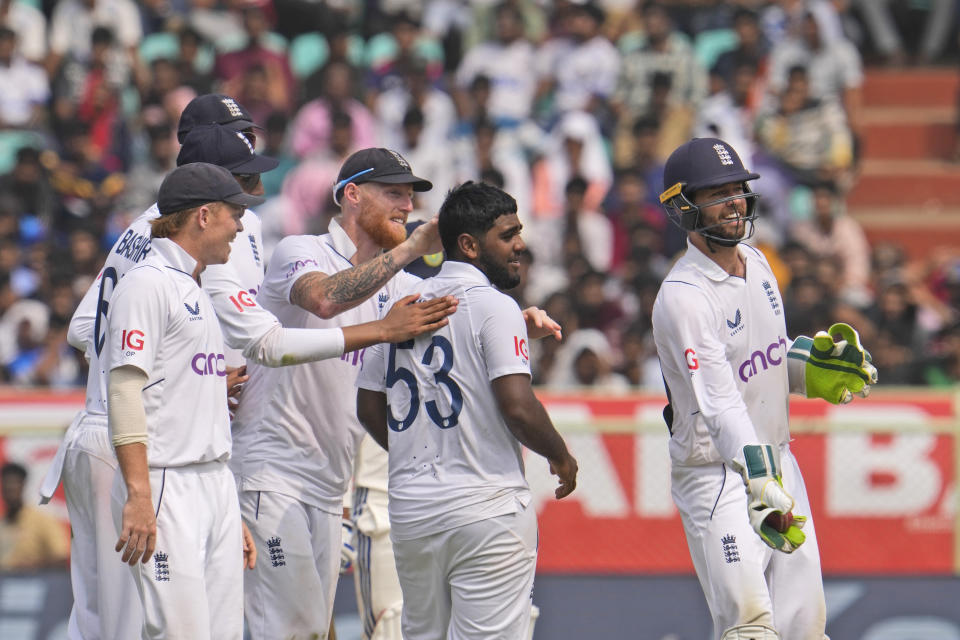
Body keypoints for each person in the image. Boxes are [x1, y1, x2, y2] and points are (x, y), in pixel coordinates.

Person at [42, 96, 455, 640]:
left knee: (105, 621)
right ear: (210, 193)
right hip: (145, 442)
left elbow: (82, 328)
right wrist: (190, 372)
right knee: (139, 626)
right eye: (241, 178)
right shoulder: (204, 244)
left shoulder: (142, 230)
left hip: (115, 435)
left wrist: (191, 367)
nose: (248, 203)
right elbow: (267, 341)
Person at [231, 148, 555, 639]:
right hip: (272, 472)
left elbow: (460, 311)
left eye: (410, 195)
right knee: (290, 630)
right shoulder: (300, 250)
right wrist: (407, 250)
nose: (406, 206)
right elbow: (325, 298)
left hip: (326, 482)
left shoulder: (397, 284)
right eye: (394, 193)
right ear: (352, 196)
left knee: (311, 630)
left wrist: (514, 320)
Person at [652, 137, 878, 640]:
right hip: (719, 474)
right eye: (717, 193)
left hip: (777, 459)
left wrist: (809, 367)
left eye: (738, 189)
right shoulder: (683, 297)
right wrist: (757, 475)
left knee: (805, 629)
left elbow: (764, 359)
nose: (734, 202)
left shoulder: (758, 263)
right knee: (749, 627)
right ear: (683, 206)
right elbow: (718, 399)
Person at [356, 180, 579, 640]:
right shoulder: (496, 306)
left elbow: (367, 404)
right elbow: (518, 407)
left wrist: (411, 447)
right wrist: (560, 455)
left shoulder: (403, 307)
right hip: (486, 509)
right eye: (507, 234)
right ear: (469, 245)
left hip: (413, 511)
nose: (520, 244)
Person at [105, 162, 264, 639]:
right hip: (166, 485)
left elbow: (198, 406)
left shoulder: (191, 285)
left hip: (211, 482)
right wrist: (138, 493)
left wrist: (225, 505)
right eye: (234, 214)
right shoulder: (148, 283)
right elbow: (123, 388)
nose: (240, 226)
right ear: (203, 215)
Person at [0, 461, 68, 570]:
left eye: (14, 485)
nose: (10, 490)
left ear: (23, 485)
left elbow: (61, 559)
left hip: (35, 584)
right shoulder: (2, 524)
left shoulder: (42, 521)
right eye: (6, 486)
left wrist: (31, 569)